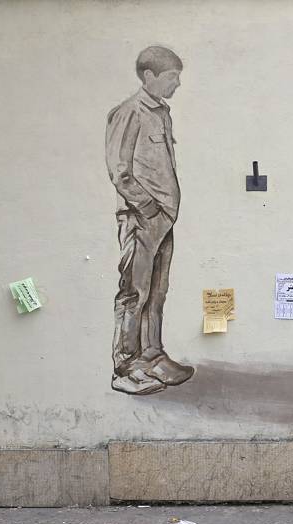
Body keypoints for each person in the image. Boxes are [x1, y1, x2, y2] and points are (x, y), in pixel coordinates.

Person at [105, 45, 195, 395]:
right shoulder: (129, 112)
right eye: (172, 77)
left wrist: (163, 213)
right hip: (142, 217)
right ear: (150, 76)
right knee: (133, 293)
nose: (176, 84)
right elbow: (119, 170)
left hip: (163, 219)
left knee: (157, 291)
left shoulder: (160, 113)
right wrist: (147, 208)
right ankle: (126, 367)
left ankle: (153, 356)